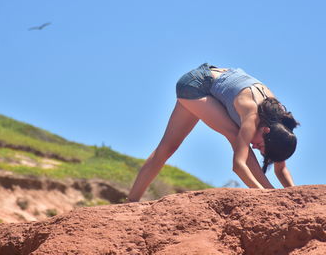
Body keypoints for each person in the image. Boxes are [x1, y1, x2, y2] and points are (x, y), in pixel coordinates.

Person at [127, 63, 299, 202]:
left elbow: (281, 169)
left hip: (211, 84)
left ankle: (130, 201)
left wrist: (295, 196)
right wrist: (268, 196)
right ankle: (132, 202)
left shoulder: (279, 128)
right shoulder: (252, 114)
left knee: (168, 147)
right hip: (195, 84)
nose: (255, 147)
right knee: (234, 134)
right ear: (265, 130)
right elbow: (239, 165)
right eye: (260, 145)